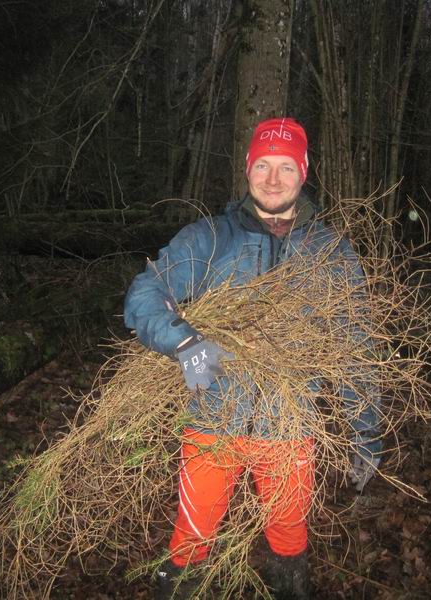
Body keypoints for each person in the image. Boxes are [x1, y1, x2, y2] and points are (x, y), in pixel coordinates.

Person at [123, 117, 380, 599]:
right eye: (263, 165)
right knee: (190, 541)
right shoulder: (210, 238)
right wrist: (185, 343)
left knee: (288, 538)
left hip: (290, 423)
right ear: (248, 169)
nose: (273, 179)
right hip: (214, 417)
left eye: (286, 166)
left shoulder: (331, 255)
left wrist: (365, 430)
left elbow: (356, 348)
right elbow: (146, 293)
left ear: (304, 172)